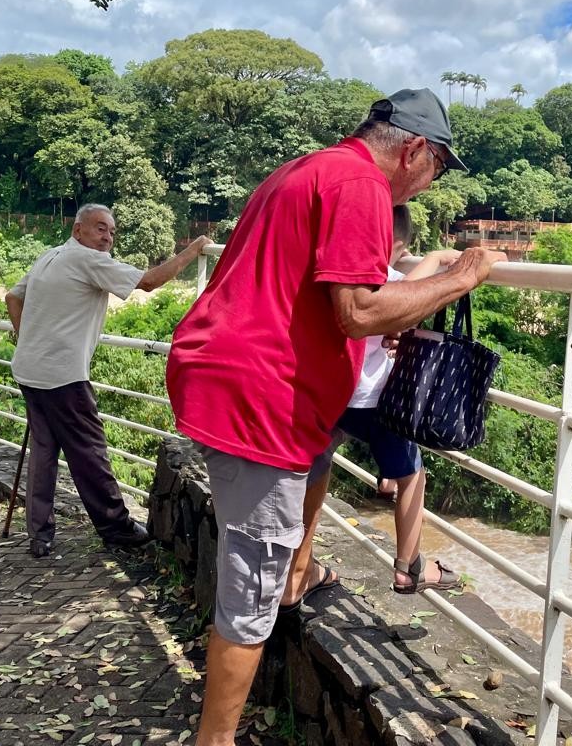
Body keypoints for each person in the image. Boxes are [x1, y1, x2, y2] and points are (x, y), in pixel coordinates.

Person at [167, 88, 506, 746]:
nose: (431, 184)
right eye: (437, 168)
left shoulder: (308, 169)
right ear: (413, 149)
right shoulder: (361, 186)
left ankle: (293, 587)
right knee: (252, 587)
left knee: (285, 517)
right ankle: (215, 740)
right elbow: (358, 311)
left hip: (234, 375)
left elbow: (328, 299)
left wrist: (394, 313)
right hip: (260, 397)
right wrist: (461, 278)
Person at [6, 204, 209, 557]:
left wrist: (28, 341)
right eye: (100, 228)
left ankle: (40, 533)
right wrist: (194, 249)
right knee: (90, 451)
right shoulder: (87, 260)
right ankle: (116, 528)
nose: (107, 237)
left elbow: (12, 297)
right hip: (62, 376)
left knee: (44, 450)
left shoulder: (50, 255)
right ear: (78, 230)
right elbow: (149, 281)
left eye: (112, 232)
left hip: (30, 369)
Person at [285, 204, 462, 606]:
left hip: (332, 396)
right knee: (412, 474)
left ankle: (298, 559)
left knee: (320, 462)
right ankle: (409, 566)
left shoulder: (337, 277)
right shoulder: (386, 281)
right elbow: (405, 290)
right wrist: (436, 259)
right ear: (398, 246)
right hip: (372, 402)